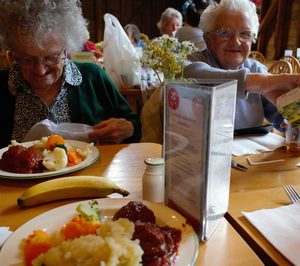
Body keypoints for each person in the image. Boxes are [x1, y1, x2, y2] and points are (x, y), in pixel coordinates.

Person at [0, 0, 141, 149]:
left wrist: (127, 128)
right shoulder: (3, 85)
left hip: (91, 172)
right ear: (13, 55)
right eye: (28, 59)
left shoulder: (93, 77)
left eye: (51, 57)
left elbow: (134, 126)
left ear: (66, 49)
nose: (40, 70)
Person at [184, 0, 300, 131]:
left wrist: (295, 118)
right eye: (225, 33)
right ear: (208, 39)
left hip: (252, 151)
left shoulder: (257, 69)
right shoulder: (194, 62)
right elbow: (188, 76)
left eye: (245, 34)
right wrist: (257, 82)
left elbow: (286, 122)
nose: (236, 41)